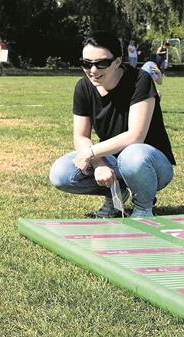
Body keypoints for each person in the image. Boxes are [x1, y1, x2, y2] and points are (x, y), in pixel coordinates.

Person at [49, 36, 175, 219]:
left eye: (102, 63)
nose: (92, 70)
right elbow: (80, 135)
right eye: (86, 63)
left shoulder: (140, 80)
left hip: (150, 164)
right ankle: (116, 193)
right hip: (113, 160)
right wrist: (98, 164)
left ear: (117, 62)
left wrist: (91, 154)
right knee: (61, 173)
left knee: (132, 155)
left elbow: (135, 136)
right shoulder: (83, 87)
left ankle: (143, 209)